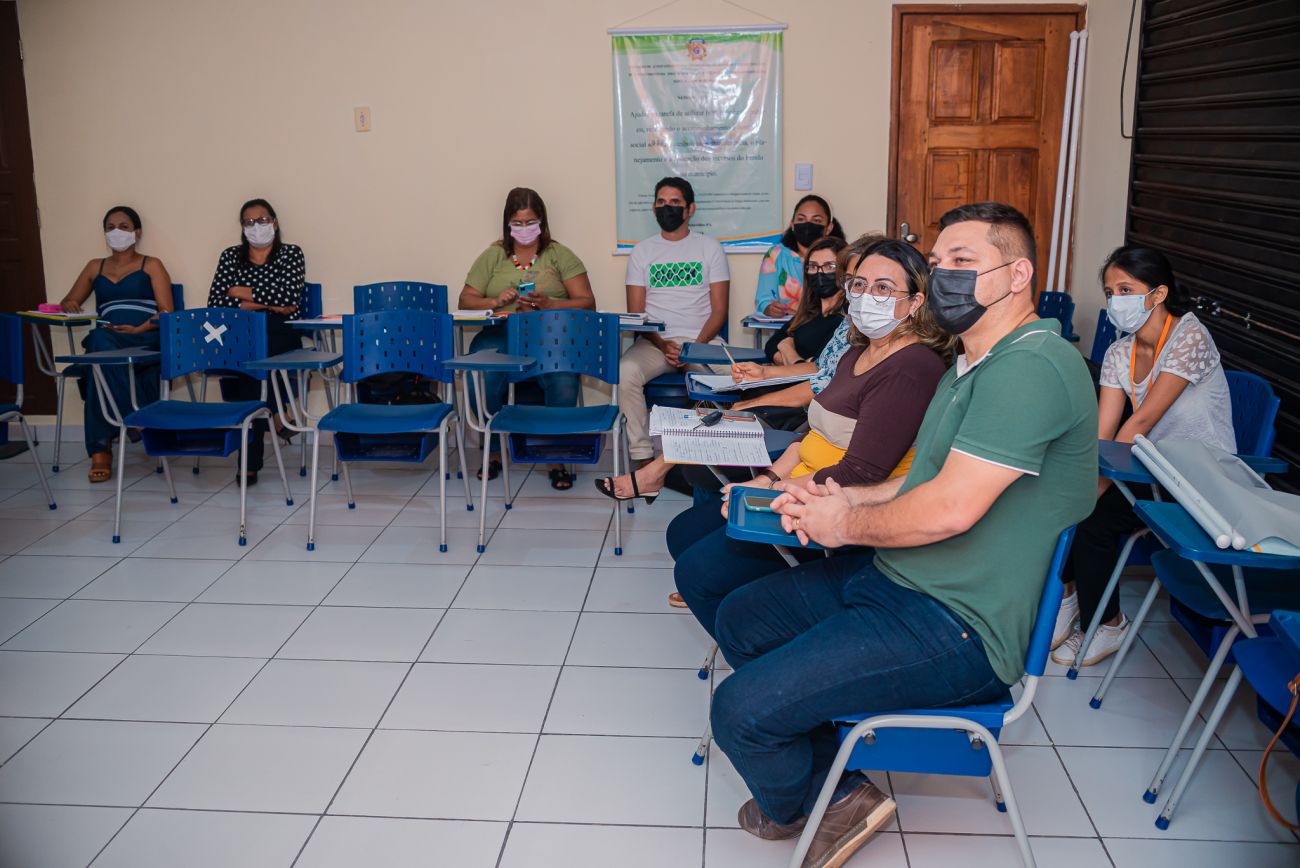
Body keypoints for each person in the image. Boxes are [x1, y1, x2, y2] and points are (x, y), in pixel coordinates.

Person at [707, 203, 1097, 868]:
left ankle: (811, 799)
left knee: (740, 712)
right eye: (939, 263)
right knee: (742, 617)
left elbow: (948, 509)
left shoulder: (1031, 368)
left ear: (1018, 275)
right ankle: (837, 790)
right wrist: (831, 496)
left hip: (960, 622)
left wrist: (844, 523)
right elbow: (917, 482)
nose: (945, 276)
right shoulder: (971, 363)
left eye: (964, 262)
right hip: (901, 576)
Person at [669, 235, 950, 626]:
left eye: (884, 288)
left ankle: (766, 633)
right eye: (859, 285)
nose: (867, 296)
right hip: (800, 484)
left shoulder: (911, 367)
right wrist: (766, 480)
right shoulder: (859, 350)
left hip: (835, 504)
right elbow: (810, 437)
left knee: (698, 574)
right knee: (682, 533)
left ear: (915, 301)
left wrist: (770, 494)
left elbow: (862, 474)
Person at [1051, 245, 1235, 667]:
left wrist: (1093, 489)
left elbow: (1141, 422)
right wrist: (1082, 485)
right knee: (1074, 502)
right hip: (1156, 471)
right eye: (1110, 291)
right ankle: (1069, 596)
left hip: (1203, 479)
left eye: (1125, 289)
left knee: (1091, 517)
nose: (1115, 300)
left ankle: (1107, 623)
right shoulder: (1120, 352)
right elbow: (1104, 433)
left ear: (1158, 293)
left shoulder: (1189, 336)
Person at [594, 235, 850, 503]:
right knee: (708, 404)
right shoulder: (809, 312)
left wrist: (788, 353)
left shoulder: (843, 321)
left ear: (843, 274)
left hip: (798, 403)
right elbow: (774, 342)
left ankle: (654, 474)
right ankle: (656, 472)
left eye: (829, 267)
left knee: (717, 409)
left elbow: (818, 370)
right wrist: (788, 352)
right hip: (780, 384)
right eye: (813, 267)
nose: (820, 273)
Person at [459, 187, 595, 489]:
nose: (524, 229)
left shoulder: (559, 255)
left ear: (542, 222)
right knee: (481, 376)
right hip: (500, 335)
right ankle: (494, 452)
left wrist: (550, 304)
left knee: (563, 381)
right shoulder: (494, 255)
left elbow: (587, 303)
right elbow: (465, 300)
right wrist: (495, 301)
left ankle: (555, 457)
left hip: (550, 337)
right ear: (507, 223)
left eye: (530, 222)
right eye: (517, 223)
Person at [619, 177, 730, 465]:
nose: (667, 207)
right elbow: (636, 315)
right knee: (625, 372)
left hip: (702, 341)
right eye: (661, 202)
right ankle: (643, 457)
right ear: (653, 207)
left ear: (690, 209)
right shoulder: (642, 251)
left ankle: (723, 454)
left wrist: (692, 348)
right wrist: (664, 344)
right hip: (655, 343)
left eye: (675, 202)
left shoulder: (710, 248)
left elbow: (719, 311)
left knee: (737, 377)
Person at [60, 206, 174, 483]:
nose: (116, 232)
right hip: (108, 338)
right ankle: (136, 417)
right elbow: (68, 300)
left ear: (137, 232)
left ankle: (101, 451)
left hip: (145, 337)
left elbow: (167, 313)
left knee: (97, 358)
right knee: (100, 347)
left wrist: (139, 328)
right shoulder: (94, 266)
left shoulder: (151, 264)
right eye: (110, 227)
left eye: (123, 227)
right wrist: (70, 304)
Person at [206, 198, 305, 485]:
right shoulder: (230, 256)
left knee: (251, 358)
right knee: (250, 354)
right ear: (241, 227)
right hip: (241, 332)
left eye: (262, 220)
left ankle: (249, 460)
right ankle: (274, 413)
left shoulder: (290, 253)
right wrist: (269, 302)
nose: (256, 226)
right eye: (249, 222)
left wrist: (241, 294)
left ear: (274, 222)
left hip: (280, 332)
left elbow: (289, 297)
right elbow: (216, 302)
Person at [754, 195, 846, 317]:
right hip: (786, 325)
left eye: (816, 220)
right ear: (792, 224)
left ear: (829, 228)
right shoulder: (776, 255)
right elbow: (763, 300)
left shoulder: (842, 255)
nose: (807, 225)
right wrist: (768, 308)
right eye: (801, 219)